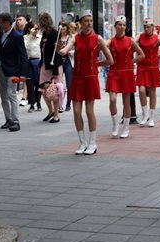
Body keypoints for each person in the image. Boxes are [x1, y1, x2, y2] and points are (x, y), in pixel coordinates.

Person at [58, 10, 114, 155]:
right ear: (80, 23)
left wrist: (96, 65)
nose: (89, 24)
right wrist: (63, 50)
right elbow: (68, 47)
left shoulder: (98, 38)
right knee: (76, 111)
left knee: (89, 111)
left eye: (91, 21)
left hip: (90, 77)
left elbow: (110, 60)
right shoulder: (75, 38)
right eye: (86, 21)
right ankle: (82, 142)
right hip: (77, 77)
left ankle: (93, 143)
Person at [106, 16, 145, 139]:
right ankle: (115, 125)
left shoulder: (130, 41)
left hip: (126, 73)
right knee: (112, 99)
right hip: (114, 72)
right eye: (119, 25)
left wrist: (131, 61)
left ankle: (126, 127)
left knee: (126, 101)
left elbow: (141, 55)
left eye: (124, 25)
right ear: (115, 26)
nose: (122, 27)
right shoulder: (110, 41)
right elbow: (101, 46)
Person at [136, 18, 160, 127]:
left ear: (152, 27)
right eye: (145, 27)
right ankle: (144, 113)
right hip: (142, 66)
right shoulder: (140, 36)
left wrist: (157, 57)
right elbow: (132, 43)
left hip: (152, 67)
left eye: (148, 27)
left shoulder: (157, 38)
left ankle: (152, 116)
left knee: (152, 91)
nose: (146, 29)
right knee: (141, 90)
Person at [38, 12, 63, 123]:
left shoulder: (54, 34)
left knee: (54, 90)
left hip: (53, 66)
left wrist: (55, 72)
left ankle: (56, 114)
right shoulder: (45, 34)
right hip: (44, 65)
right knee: (43, 90)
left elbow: (56, 54)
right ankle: (51, 111)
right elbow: (43, 50)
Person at [23, 21, 43, 112]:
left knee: (39, 84)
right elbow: (24, 49)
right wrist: (31, 36)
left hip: (38, 61)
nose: (36, 30)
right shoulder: (25, 38)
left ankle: (38, 102)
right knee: (29, 84)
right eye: (34, 28)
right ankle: (31, 104)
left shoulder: (40, 38)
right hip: (28, 62)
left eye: (37, 29)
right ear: (29, 29)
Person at [57, 22, 74, 113]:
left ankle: (68, 103)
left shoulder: (71, 38)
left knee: (69, 84)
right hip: (59, 61)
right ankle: (60, 104)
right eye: (60, 26)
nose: (62, 27)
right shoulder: (56, 37)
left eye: (64, 26)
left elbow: (76, 51)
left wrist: (68, 52)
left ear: (67, 28)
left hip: (68, 61)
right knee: (59, 84)